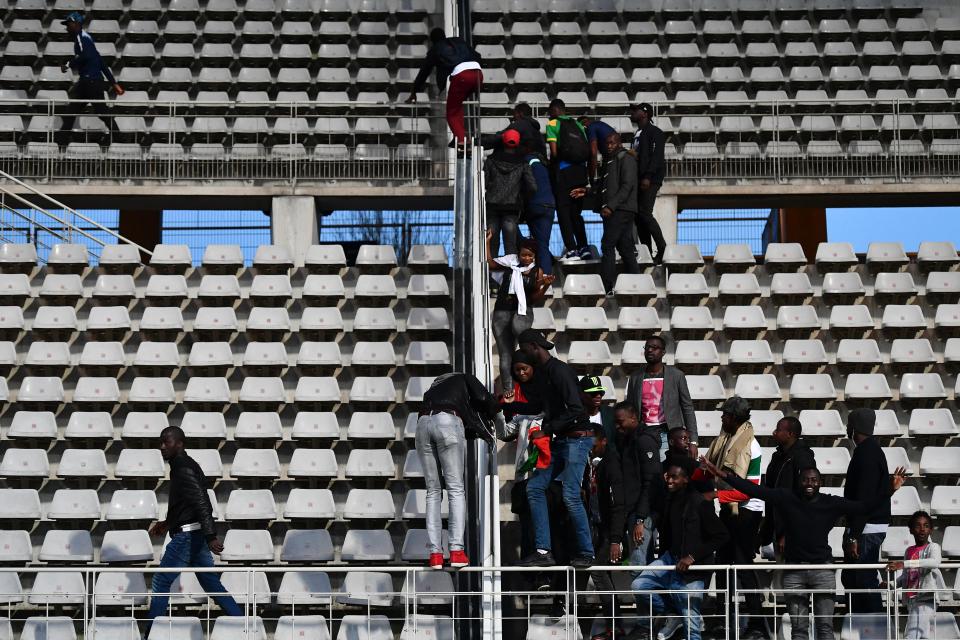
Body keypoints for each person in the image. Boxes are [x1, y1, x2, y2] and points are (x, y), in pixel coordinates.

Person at [700, 458, 907, 640]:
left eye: (814, 480)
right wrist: (721, 474)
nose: (809, 484)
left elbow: (864, 507)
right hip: (794, 572)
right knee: (799, 630)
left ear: (820, 483)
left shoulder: (830, 503)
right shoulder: (786, 497)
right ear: (799, 482)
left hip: (823, 571)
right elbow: (754, 490)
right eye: (805, 480)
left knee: (825, 628)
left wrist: (889, 490)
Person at [147, 427, 242, 630]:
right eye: (161, 442)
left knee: (161, 582)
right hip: (195, 534)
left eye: (167, 442)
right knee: (211, 583)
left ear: (179, 443)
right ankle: (244, 626)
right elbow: (186, 504)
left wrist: (211, 536)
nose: (162, 447)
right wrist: (166, 524)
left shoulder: (182, 467)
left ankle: (151, 633)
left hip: (189, 537)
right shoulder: (182, 465)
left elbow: (201, 501)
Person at [516, 329, 595, 567]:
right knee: (535, 487)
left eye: (523, 347)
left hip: (577, 439)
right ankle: (543, 551)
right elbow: (541, 406)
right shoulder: (541, 374)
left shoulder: (560, 371)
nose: (521, 353)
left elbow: (577, 410)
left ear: (533, 346)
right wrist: (508, 405)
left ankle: (586, 552)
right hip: (560, 440)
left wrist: (547, 429)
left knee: (571, 495)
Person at [629, 456, 729, 640]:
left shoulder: (699, 503)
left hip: (694, 569)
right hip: (671, 559)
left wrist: (692, 557)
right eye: (668, 476)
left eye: (674, 477)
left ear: (685, 480)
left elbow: (721, 536)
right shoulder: (670, 500)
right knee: (639, 585)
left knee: (692, 630)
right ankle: (672, 614)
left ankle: (679, 615)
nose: (669, 480)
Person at [695, 396, 766, 640]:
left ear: (735, 418)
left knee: (742, 565)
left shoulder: (751, 446)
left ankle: (757, 623)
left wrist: (715, 493)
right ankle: (722, 619)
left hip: (747, 511)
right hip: (730, 509)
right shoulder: (725, 440)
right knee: (723, 564)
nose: (721, 417)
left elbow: (748, 491)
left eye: (725, 414)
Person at [416, 372, 500, 569]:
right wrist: (497, 408)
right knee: (455, 489)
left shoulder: (432, 390)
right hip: (448, 420)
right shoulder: (464, 377)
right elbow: (482, 398)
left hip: (421, 424)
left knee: (433, 492)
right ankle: (456, 550)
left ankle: (435, 554)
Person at [485, 230, 553, 396]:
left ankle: (531, 385)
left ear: (534, 256)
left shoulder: (537, 271)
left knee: (524, 348)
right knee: (505, 354)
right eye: (523, 255)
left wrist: (544, 285)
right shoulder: (510, 262)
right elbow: (490, 263)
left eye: (530, 256)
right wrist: (487, 242)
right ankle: (509, 390)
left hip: (522, 311)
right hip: (502, 311)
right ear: (519, 253)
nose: (526, 259)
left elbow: (534, 297)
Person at [841, 408, 891, 615]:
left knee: (863, 582)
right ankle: (857, 628)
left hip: (865, 530)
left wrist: (854, 535)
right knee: (853, 580)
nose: (846, 428)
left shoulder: (867, 454)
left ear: (855, 428)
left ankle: (875, 629)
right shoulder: (870, 450)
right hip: (865, 527)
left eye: (849, 424)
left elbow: (864, 500)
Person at [406, 28, 482, 152]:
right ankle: (460, 134)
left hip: (462, 76)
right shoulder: (459, 41)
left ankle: (462, 140)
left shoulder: (435, 49)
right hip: (478, 74)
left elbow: (424, 72)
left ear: (432, 41)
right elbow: (478, 56)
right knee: (457, 105)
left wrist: (414, 92)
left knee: (451, 113)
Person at [625, 335, 699, 459]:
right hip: (644, 433)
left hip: (668, 433)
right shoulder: (636, 377)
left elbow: (687, 408)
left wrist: (693, 441)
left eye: (654, 347)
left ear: (663, 352)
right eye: (647, 347)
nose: (649, 350)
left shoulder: (676, 376)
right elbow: (630, 409)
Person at [584, 429, 626, 640]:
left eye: (593, 445)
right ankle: (614, 627)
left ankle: (615, 628)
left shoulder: (611, 465)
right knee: (603, 574)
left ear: (604, 441)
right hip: (599, 528)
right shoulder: (598, 464)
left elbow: (619, 505)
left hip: (610, 531)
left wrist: (615, 540)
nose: (590, 449)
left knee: (598, 572)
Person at [58, 12, 124, 141]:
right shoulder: (88, 39)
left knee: (75, 112)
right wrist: (113, 83)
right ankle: (61, 140)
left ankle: (61, 141)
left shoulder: (80, 37)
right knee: (98, 112)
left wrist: (67, 64)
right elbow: (101, 63)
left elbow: (85, 56)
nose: (66, 28)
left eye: (68, 24)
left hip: (89, 83)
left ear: (76, 24)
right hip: (93, 82)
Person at [613, 402, 662, 572]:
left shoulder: (644, 442)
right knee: (641, 565)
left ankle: (646, 599)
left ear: (634, 418)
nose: (617, 426)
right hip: (635, 512)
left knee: (638, 566)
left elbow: (651, 482)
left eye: (620, 421)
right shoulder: (628, 441)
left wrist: (640, 518)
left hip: (642, 514)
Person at [761, 416, 817, 557]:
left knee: (791, 576)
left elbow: (805, 499)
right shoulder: (778, 457)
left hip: (792, 533)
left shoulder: (803, 458)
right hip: (777, 527)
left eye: (778, 430)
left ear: (790, 434)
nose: (774, 433)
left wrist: (788, 533)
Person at [887, 511, 945, 640]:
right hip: (911, 600)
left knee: (911, 636)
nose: (922, 529)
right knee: (923, 636)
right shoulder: (909, 551)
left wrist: (905, 563)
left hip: (925, 598)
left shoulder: (933, 547)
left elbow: (934, 562)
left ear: (930, 530)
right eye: (918, 526)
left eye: (926, 526)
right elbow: (907, 576)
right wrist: (891, 584)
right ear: (911, 530)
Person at [545, 99, 591, 261]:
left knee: (563, 212)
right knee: (576, 213)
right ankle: (584, 247)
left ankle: (572, 250)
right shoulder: (577, 124)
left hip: (564, 172)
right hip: (580, 172)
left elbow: (554, 152)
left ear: (554, 110)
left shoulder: (552, 123)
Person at [598, 132, 641, 295]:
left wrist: (610, 206)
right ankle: (637, 284)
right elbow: (607, 186)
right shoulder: (611, 160)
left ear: (619, 142)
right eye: (607, 143)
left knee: (607, 245)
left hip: (620, 210)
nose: (609, 146)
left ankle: (607, 286)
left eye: (612, 143)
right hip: (619, 209)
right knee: (625, 248)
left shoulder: (625, 158)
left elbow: (627, 186)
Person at [484, 129, 537, 257]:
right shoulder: (523, 163)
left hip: (492, 206)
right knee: (510, 245)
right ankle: (511, 275)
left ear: (503, 141)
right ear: (518, 143)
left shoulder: (491, 160)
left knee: (491, 244)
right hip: (512, 208)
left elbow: (483, 182)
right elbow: (533, 187)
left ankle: (490, 275)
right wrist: (522, 197)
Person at [629, 103, 666, 263]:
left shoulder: (655, 132)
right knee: (638, 216)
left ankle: (662, 248)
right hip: (638, 178)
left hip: (650, 179)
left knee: (644, 212)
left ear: (644, 114)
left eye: (635, 110)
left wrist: (648, 176)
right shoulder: (638, 133)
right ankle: (647, 252)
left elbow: (657, 156)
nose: (632, 113)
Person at [522, 147, 556, 276]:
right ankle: (546, 273)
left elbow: (528, 183)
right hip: (550, 205)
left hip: (535, 203)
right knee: (543, 243)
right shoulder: (545, 164)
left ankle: (542, 275)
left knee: (535, 242)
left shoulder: (527, 161)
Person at [578, 115, 617, 188]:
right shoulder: (598, 124)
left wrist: (591, 178)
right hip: (614, 156)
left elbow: (593, 154)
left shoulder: (590, 127)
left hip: (613, 158)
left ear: (584, 125)